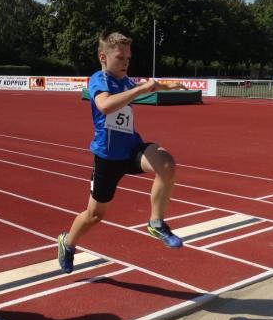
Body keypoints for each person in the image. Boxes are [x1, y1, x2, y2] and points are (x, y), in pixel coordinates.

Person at [57, 31, 187, 274]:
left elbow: (149, 87)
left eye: (128, 58)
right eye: (120, 58)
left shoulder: (126, 81)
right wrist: (138, 90)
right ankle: (68, 242)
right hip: (107, 158)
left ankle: (156, 223)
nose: (125, 63)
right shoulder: (99, 80)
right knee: (94, 215)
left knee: (166, 163)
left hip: (132, 150)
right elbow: (105, 105)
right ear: (103, 57)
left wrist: (169, 85)